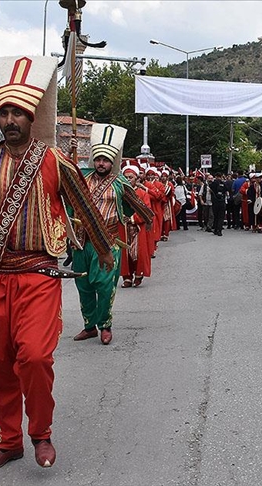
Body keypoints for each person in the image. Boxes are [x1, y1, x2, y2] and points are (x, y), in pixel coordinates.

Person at [0, 56, 114, 471]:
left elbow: (85, 206)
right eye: (3, 112)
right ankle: (8, 441)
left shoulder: (54, 161)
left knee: (33, 357)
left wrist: (104, 249)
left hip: (39, 274)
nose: (10, 119)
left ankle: (41, 433)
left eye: (18, 112)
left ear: (31, 117)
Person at [71, 124, 154, 345]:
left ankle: (105, 326)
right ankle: (89, 326)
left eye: (105, 160)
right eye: (98, 159)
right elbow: (64, 186)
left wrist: (148, 219)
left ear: (112, 162)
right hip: (81, 241)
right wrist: (69, 155)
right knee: (84, 285)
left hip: (107, 242)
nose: (101, 163)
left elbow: (136, 203)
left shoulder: (120, 182)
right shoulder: (82, 178)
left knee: (105, 286)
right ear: (93, 160)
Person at [119, 163, 154, 288]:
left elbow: (146, 210)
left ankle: (139, 274)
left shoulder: (142, 193)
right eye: (126, 177)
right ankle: (127, 277)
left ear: (136, 178)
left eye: (131, 177)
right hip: (123, 227)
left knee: (138, 252)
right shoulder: (120, 192)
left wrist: (132, 218)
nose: (128, 180)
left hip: (138, 228)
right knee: (125, 252)